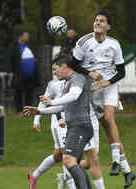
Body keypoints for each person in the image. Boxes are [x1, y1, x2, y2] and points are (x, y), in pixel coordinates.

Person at [72, 8, 136, 188]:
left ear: (108, 26)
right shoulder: (84, 42)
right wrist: (90, 73)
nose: (97, 22)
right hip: (90, 91)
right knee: (102, 138)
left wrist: (108, 82)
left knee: (109, 118)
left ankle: (116, 161)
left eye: (101, 21)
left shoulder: (114, 44)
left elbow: (121, 72)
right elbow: (73, 65)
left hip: (109, 86)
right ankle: (128, 170)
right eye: (96, 20)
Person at [28, 54, 106, 189]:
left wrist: (51, 101)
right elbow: (62, 106)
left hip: (81, 126)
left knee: (69, 160)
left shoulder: (77, 78)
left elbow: (74, 96)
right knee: (72, 162)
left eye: (55, 69)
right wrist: (40, 112)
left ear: (64, 67)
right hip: (75, 127)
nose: (54, 72)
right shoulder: (67, 82)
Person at [6, 31, 40, 112]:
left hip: (30, 74)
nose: (27, 37)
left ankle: (28, 110)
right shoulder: (14, 46)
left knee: (29, 92)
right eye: (26, 36)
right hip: (19, 73)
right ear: (20, 37)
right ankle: (19, 110)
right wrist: (10, 71)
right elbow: (9, 59)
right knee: (18, 92)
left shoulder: (30, 45)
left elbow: (35, 55)